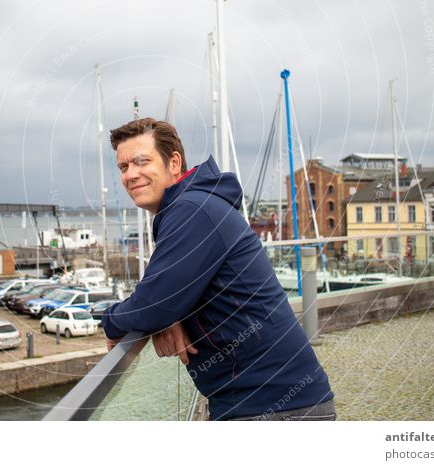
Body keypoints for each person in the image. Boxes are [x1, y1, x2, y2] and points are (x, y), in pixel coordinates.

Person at [101, 118, 334, 421]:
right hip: (265, 402)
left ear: (174, 163)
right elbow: (164, 295)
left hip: (274, 406)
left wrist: (111, 321)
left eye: (141, 161)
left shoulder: (192, 210)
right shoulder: (195, 205)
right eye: (123, 167)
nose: (131, 174)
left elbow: (153, 304)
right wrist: (168, 317)